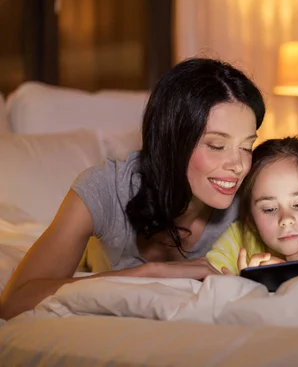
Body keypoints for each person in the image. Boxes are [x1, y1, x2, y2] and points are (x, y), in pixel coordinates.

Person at [0, 57, 266, 320]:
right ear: (171, 142)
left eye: (246, 147)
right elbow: (14, 302)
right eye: (217, 146)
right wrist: (148, 273)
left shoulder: (254, 195)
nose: (239, 165)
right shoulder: (105, 189)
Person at [207, 137, 298, 275]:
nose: (286, 219)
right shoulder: (238, 237)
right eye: (269, 209)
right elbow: (209, 282)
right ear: (250, 218)